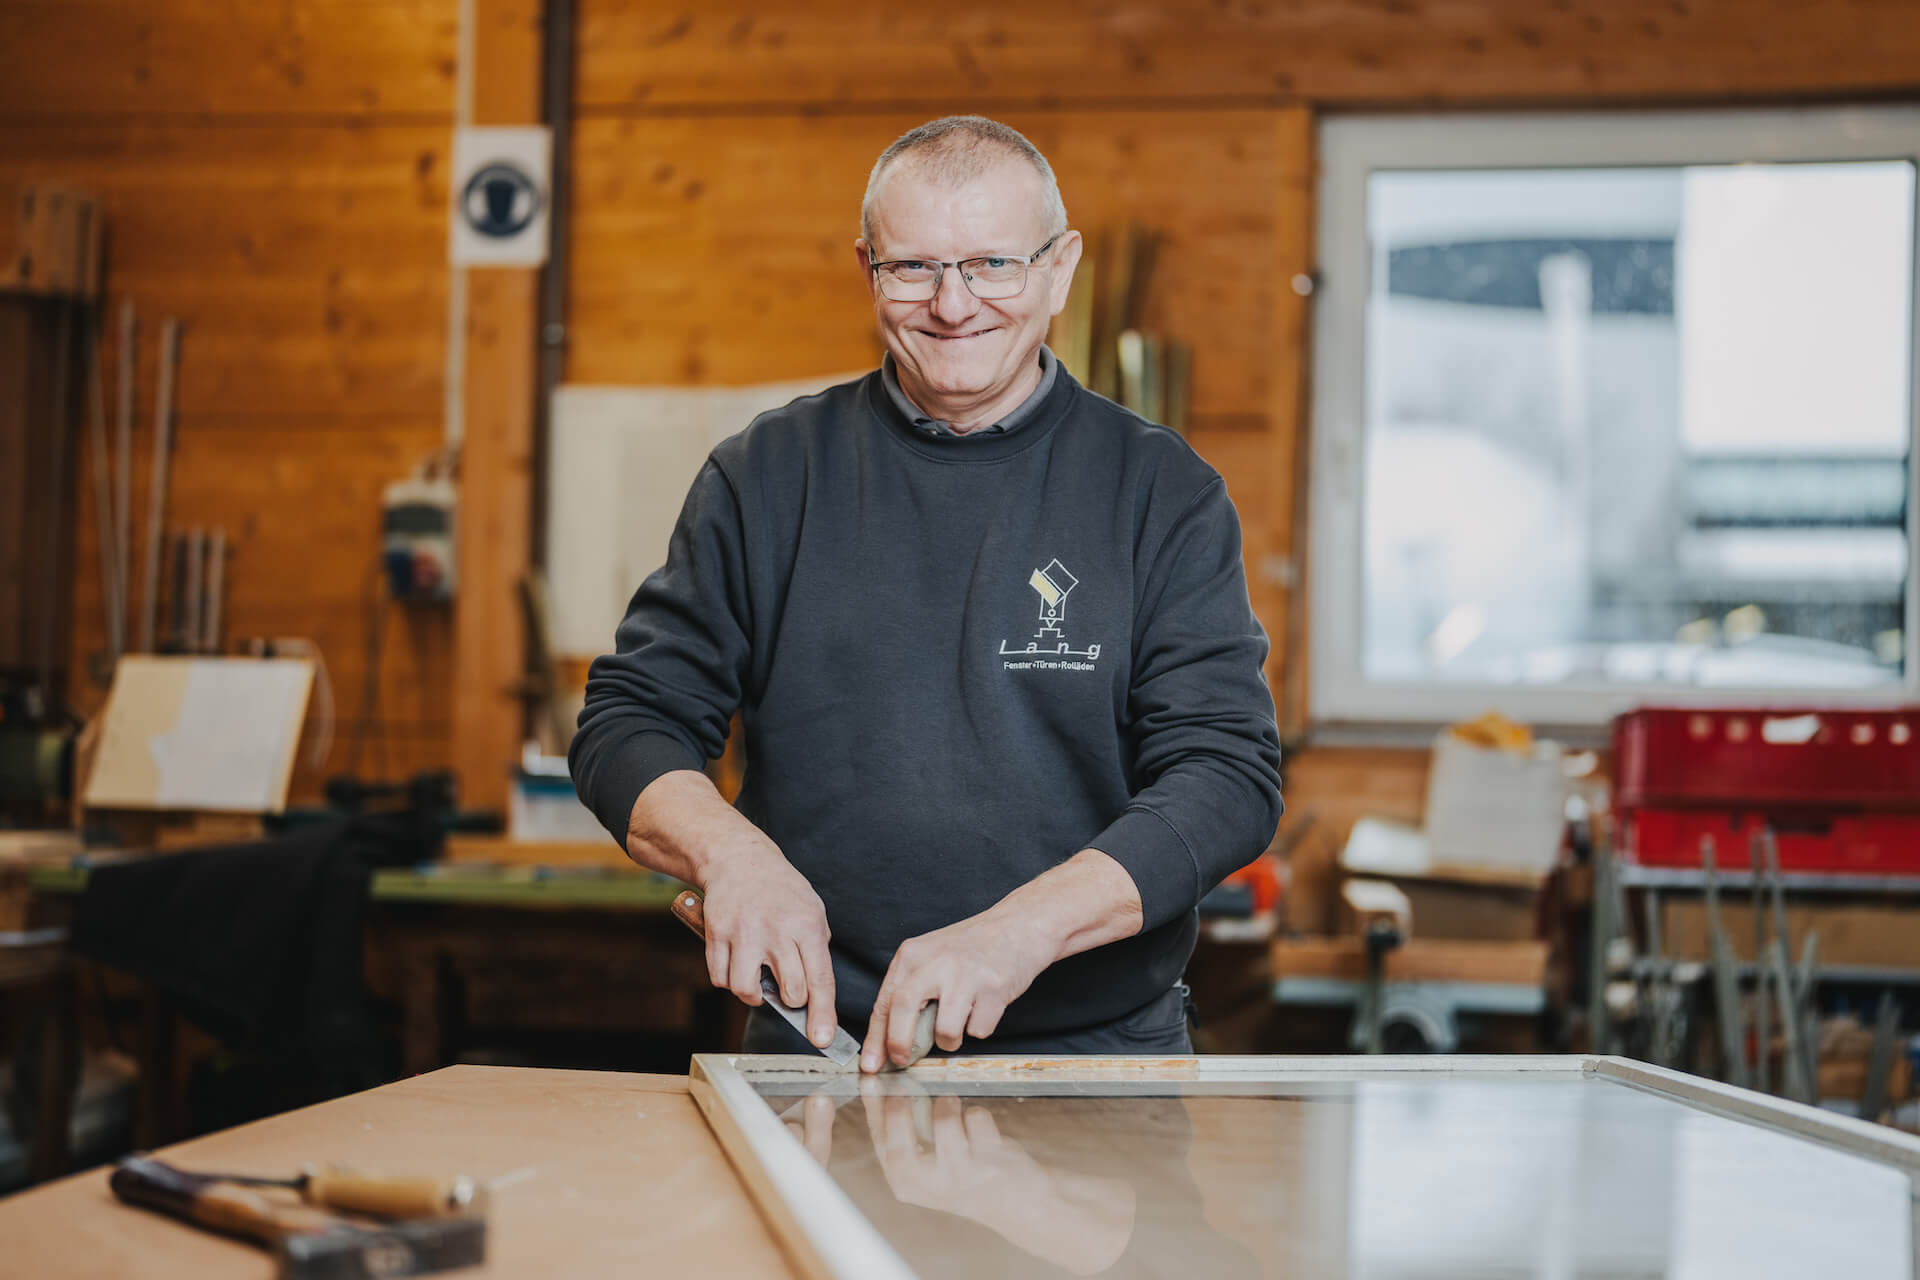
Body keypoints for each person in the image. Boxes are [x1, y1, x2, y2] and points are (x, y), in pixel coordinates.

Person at [570, 115, 1281, 1073]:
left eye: (993, 265)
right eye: (913, 269)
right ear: (867, 269)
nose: (953, 305)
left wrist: (1021, 931)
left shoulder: (1160, 492)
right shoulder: (767, 476)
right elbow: (630, 721)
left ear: (1060, 269)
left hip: (1094, 1057)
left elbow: (1226, 776)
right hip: (820, 1045)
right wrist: (731, 853)